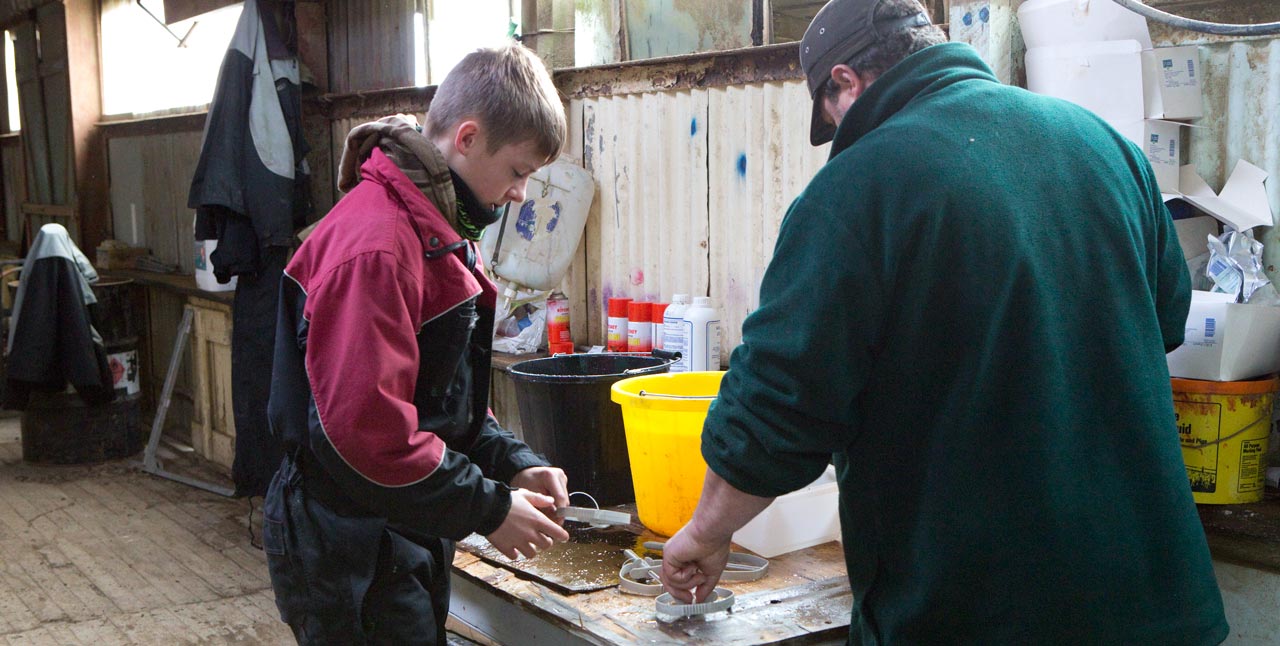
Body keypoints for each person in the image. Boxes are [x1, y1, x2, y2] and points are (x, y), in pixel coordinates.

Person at [659, 0, 1229, 643]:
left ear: (845, 82)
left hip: (984, 618)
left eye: (831, 116)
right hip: (1163, 608)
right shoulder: (1108, 148)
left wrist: (707, 532)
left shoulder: (860, 185)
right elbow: (1164, 322)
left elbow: (776, 406)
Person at [262, 43, 572, 645]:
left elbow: (436, 395)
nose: (521, 195)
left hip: (397, 521)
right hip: (345, 538)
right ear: (468, 138)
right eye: (517, 172)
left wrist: (511, 463)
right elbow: (366, 432)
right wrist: (488, 509)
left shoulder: (438, 228)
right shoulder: (378, 246)